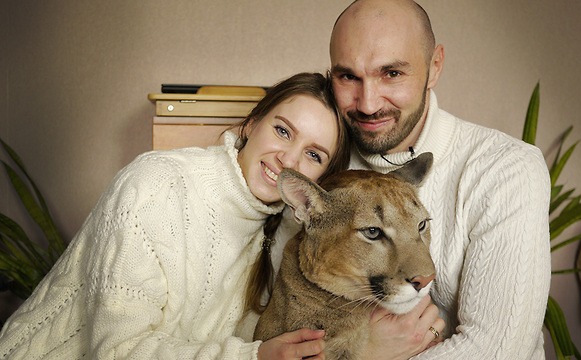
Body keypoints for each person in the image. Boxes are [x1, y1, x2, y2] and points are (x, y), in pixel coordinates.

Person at [0, 72, 351, 359]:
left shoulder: (280, 234)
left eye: (314, 155)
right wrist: (252, 358)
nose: (288, 160)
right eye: (283, 131)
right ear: (252, 124)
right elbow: (117, 352)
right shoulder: (156, 182)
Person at [324, 0, 552, 358]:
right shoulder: (320, 158)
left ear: (434, 67)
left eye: (392, 74)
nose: (367, 104)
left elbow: (497, 350)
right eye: (349, 76)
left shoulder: (505, 167)